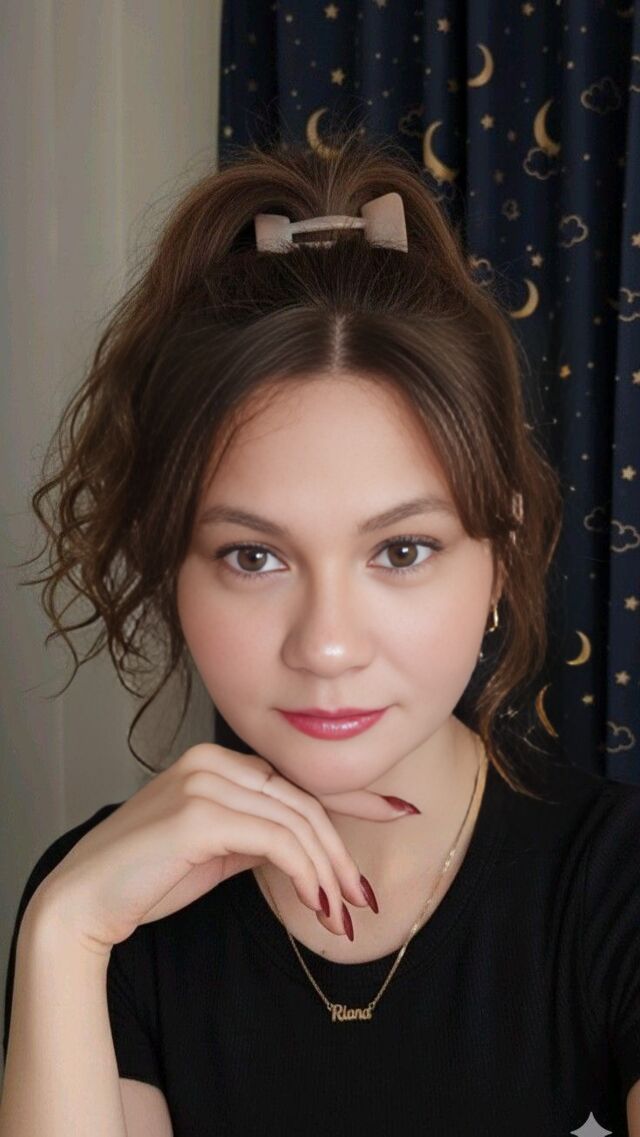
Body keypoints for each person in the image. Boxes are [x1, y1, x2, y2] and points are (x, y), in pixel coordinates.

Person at [2, 128, 640, 1137]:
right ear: (173, 568)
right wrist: (65, 933)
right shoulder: (106, 904)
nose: (328, 647)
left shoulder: (616, 885)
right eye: (253, 557)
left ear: (501, 553)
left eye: (402, 551)